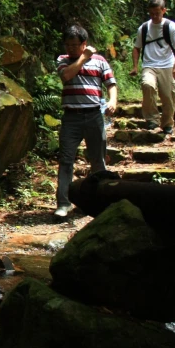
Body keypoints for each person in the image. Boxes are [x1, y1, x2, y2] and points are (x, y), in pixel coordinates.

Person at [54, 25, 117, 218]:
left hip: (94, 115)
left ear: (84, 44)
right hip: (71, 117)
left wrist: (113, 100)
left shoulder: (100, 61)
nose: (71, 48)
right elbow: (66, 76)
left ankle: (100, 201)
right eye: (68, 45)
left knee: (98, 160)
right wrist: (84, 58)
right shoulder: (63, 60)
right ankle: (63, 204)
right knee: (66, 160)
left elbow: (110, 83)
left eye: (75, 45)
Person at [130, 0, 175, 135]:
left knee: (169, 95)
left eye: (157, 13)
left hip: (168, 65)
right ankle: (152, 120)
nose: (154, 16)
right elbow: (136, 48)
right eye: (152, 13)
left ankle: (167, 124)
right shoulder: (143, 28)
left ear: (164, 11)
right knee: (147, 85)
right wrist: (135, 66)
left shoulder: (170, 27)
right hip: (149, 65)